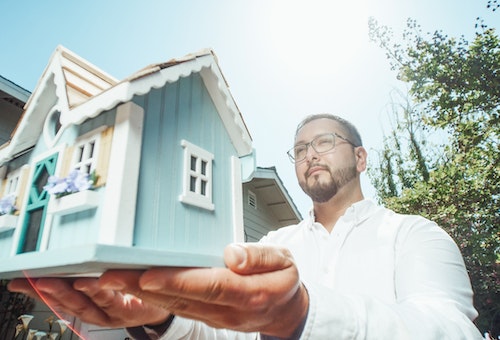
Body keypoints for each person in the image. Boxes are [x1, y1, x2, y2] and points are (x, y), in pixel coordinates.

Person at [8, 114, 482, 339]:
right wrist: (160, 315)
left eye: (324, 141)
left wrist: (302, 313)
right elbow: (225, 331)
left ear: (360, 157)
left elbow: (448, 330)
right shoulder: (275, 243)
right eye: (299, 149)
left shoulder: (414, 235)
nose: (309, 153)